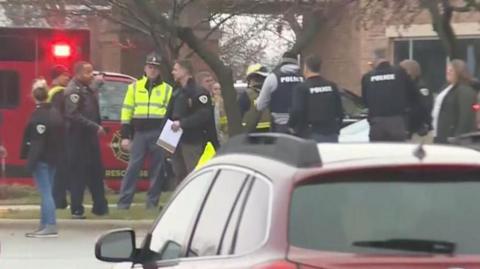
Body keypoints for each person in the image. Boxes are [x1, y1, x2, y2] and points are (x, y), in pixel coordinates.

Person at [117, 52, 173, 210]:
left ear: (159, 70)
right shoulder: (134, 87)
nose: (152, 70)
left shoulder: (167, 90)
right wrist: (125, 136)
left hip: (158, 133)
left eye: (155, 68)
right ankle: (124, 203)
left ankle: (152, 204)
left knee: (157, 169)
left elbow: (171, 116)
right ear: (145, 68)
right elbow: (126, 111)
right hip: (139, 133)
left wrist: (169, 142)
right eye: (150, 67)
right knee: (133, 168)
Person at [64, 61, 108, 219]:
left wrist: (98, 83)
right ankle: (76, 209)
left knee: (96, 172)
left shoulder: (86, 88)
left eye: (92, 72)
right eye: (88, 73)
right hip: (77, 139)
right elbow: (73, 114)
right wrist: (94, 127)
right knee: (78, 175)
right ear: (78, 74)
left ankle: (100, 207)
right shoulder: (72, 91)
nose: (92, 75)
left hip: (89, 139)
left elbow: (89, 94)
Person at [20, 79, 63, 237]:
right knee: (48, 191)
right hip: (53, 157)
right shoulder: (54, 112)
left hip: (41, 159)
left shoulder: (38, 115)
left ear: (33, 96)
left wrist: (30, 161)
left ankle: (50, 225)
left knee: (45, 193)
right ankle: (43, 224)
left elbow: (37, 142)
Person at [166, 60, 214, 185]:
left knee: (192, 173)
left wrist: (182, 123)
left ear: (185, 71)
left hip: (191, 139)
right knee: (178, 172)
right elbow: (169, 115)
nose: (173, 72)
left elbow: (203, 115)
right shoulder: (177, 91)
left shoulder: (198, 92)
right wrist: (165, 139)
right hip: (174, 138)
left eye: (176, 69)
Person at [361, 49, 418, 142]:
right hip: (397, 122)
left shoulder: (368, 77)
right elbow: (414, 95)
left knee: (378, 154)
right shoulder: (400, 73)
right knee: (396, 153)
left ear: (375, 59)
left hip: (377, 124)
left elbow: (365, 102)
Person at [288, 55, 344, 142]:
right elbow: (339, 110)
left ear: (306, 68)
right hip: (331, 132)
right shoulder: (332, 86)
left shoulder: (301, 88)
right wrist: (337, 128)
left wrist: (291, 125)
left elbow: (297, 110)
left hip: (311, 133)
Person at [256, 51, 303, 133]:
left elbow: (260, 105)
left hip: (279, 127)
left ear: (282, 61)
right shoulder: (302, 78)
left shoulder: (273, 77)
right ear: (296, 63)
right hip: (300, 127)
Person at [432, 59, 477, 144]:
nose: (448, 72)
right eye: (447, 70)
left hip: (452, 137)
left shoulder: (465, 90)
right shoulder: (446, 87)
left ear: (459, 72)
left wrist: (458, 137)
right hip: (439, 134)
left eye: (451, 70)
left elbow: (466, 116)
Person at [47, 65, 70, 209]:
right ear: (57, 76)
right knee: (61, 171)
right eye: (65, 75)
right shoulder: (59, 93)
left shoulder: (51, 91)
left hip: (53, 136)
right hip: (60, 137)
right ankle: (59, 201)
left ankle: (58, 200)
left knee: (57, 171)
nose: (68, 77)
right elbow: (60, 116)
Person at [399, 59, 433, 138]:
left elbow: (425, 106)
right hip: (408, 131)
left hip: (418, 132)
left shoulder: (421, 87)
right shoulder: (406, 86)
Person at [242, 64, 271, 132]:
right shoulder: (247, 95)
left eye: (263, 78)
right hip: (253, 133)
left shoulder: (272, 93)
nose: (261, 80)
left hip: (267, 133)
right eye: (258, 78)